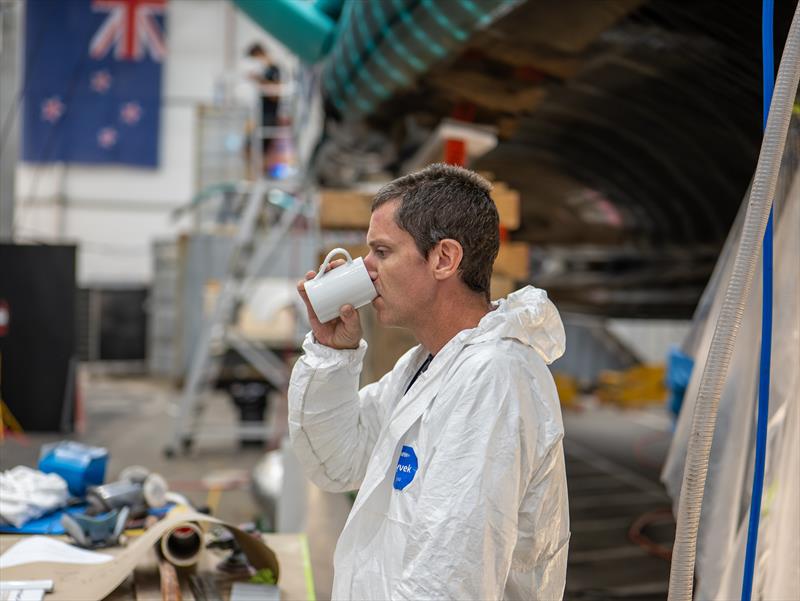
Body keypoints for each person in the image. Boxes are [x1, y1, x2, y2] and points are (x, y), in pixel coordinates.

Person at [289, 163, 570, 600]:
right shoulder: (428, 363)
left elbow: (450, 581)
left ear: (444, 259)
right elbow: (338, 461)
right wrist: (333, 355)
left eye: (381, 252)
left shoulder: (494, 379)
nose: (366, 271)